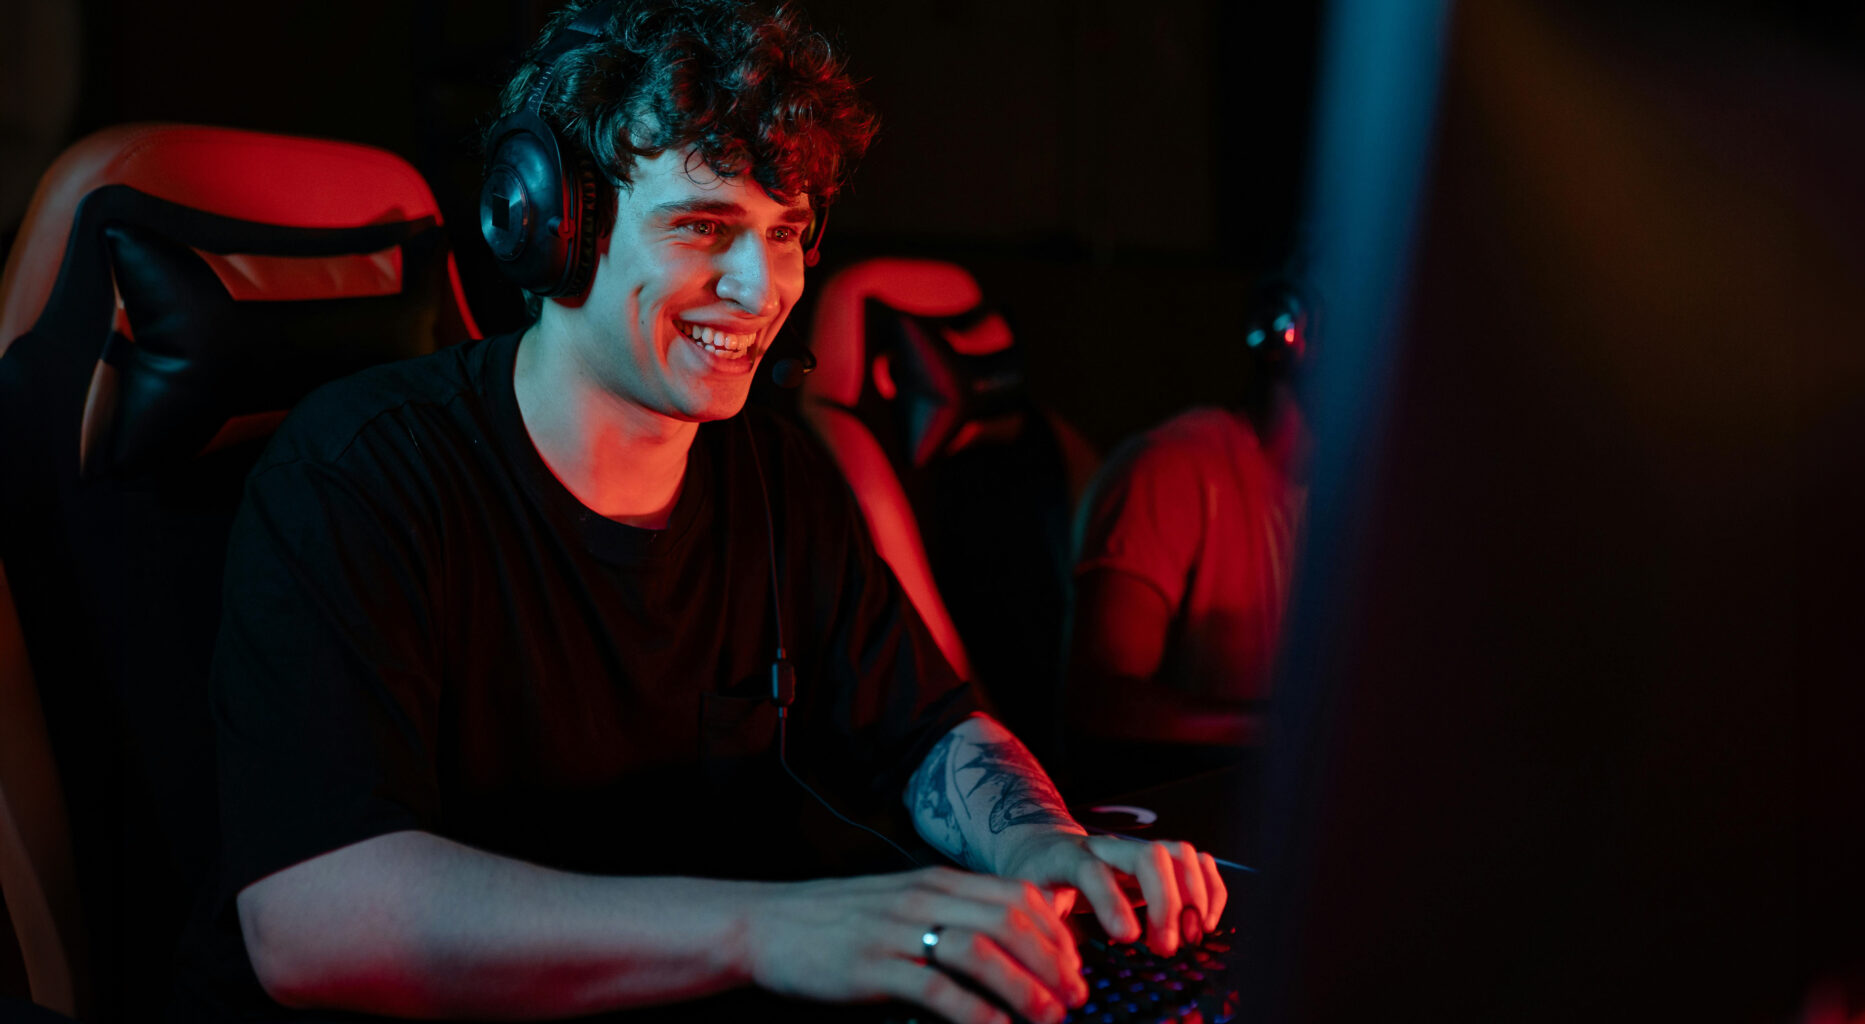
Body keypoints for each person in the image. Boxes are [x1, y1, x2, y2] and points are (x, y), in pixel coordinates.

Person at [178, 3, 1227, 1023]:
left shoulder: (774, 469)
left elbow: (926, 731)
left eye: (785, 233)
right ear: (549, 227)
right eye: (702, 226)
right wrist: (773, 931)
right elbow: (307, 919)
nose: (760, 285)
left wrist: (1050, 851)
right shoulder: (360, 474)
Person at [1062, 274, 1312, 790]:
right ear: (1285, 329)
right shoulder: (1169, 470)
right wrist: (1290, 731)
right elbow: (1102, 707)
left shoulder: (1383, 497)